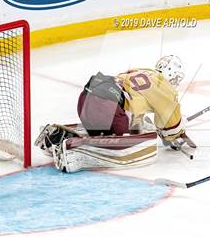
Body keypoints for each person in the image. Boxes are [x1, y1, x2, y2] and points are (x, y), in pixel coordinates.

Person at [35, 55, 196, 173]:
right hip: (108, 108)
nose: (175, 83)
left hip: (86, 98)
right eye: (176, 79)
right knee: (135, 141)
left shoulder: (142, 71)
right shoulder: (165, 88)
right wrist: (176, 135)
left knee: (126, 128)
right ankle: (74, 152)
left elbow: (132, 104)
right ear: (172, 76)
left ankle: (57, 136)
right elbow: (170, 127)